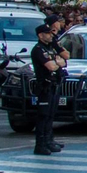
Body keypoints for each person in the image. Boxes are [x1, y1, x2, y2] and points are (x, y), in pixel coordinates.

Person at [28, 22, 67, 156]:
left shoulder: (49, 48)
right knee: (43, 116)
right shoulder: (38, 49)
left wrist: (57, 62)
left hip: (53, 84)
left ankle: (49, 140)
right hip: (44, 86)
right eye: (48, 33)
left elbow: (64, 60)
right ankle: (40, 144)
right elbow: (51, 66)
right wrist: (57, 62)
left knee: (50, 114)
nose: (51, 35)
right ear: (40, 35)